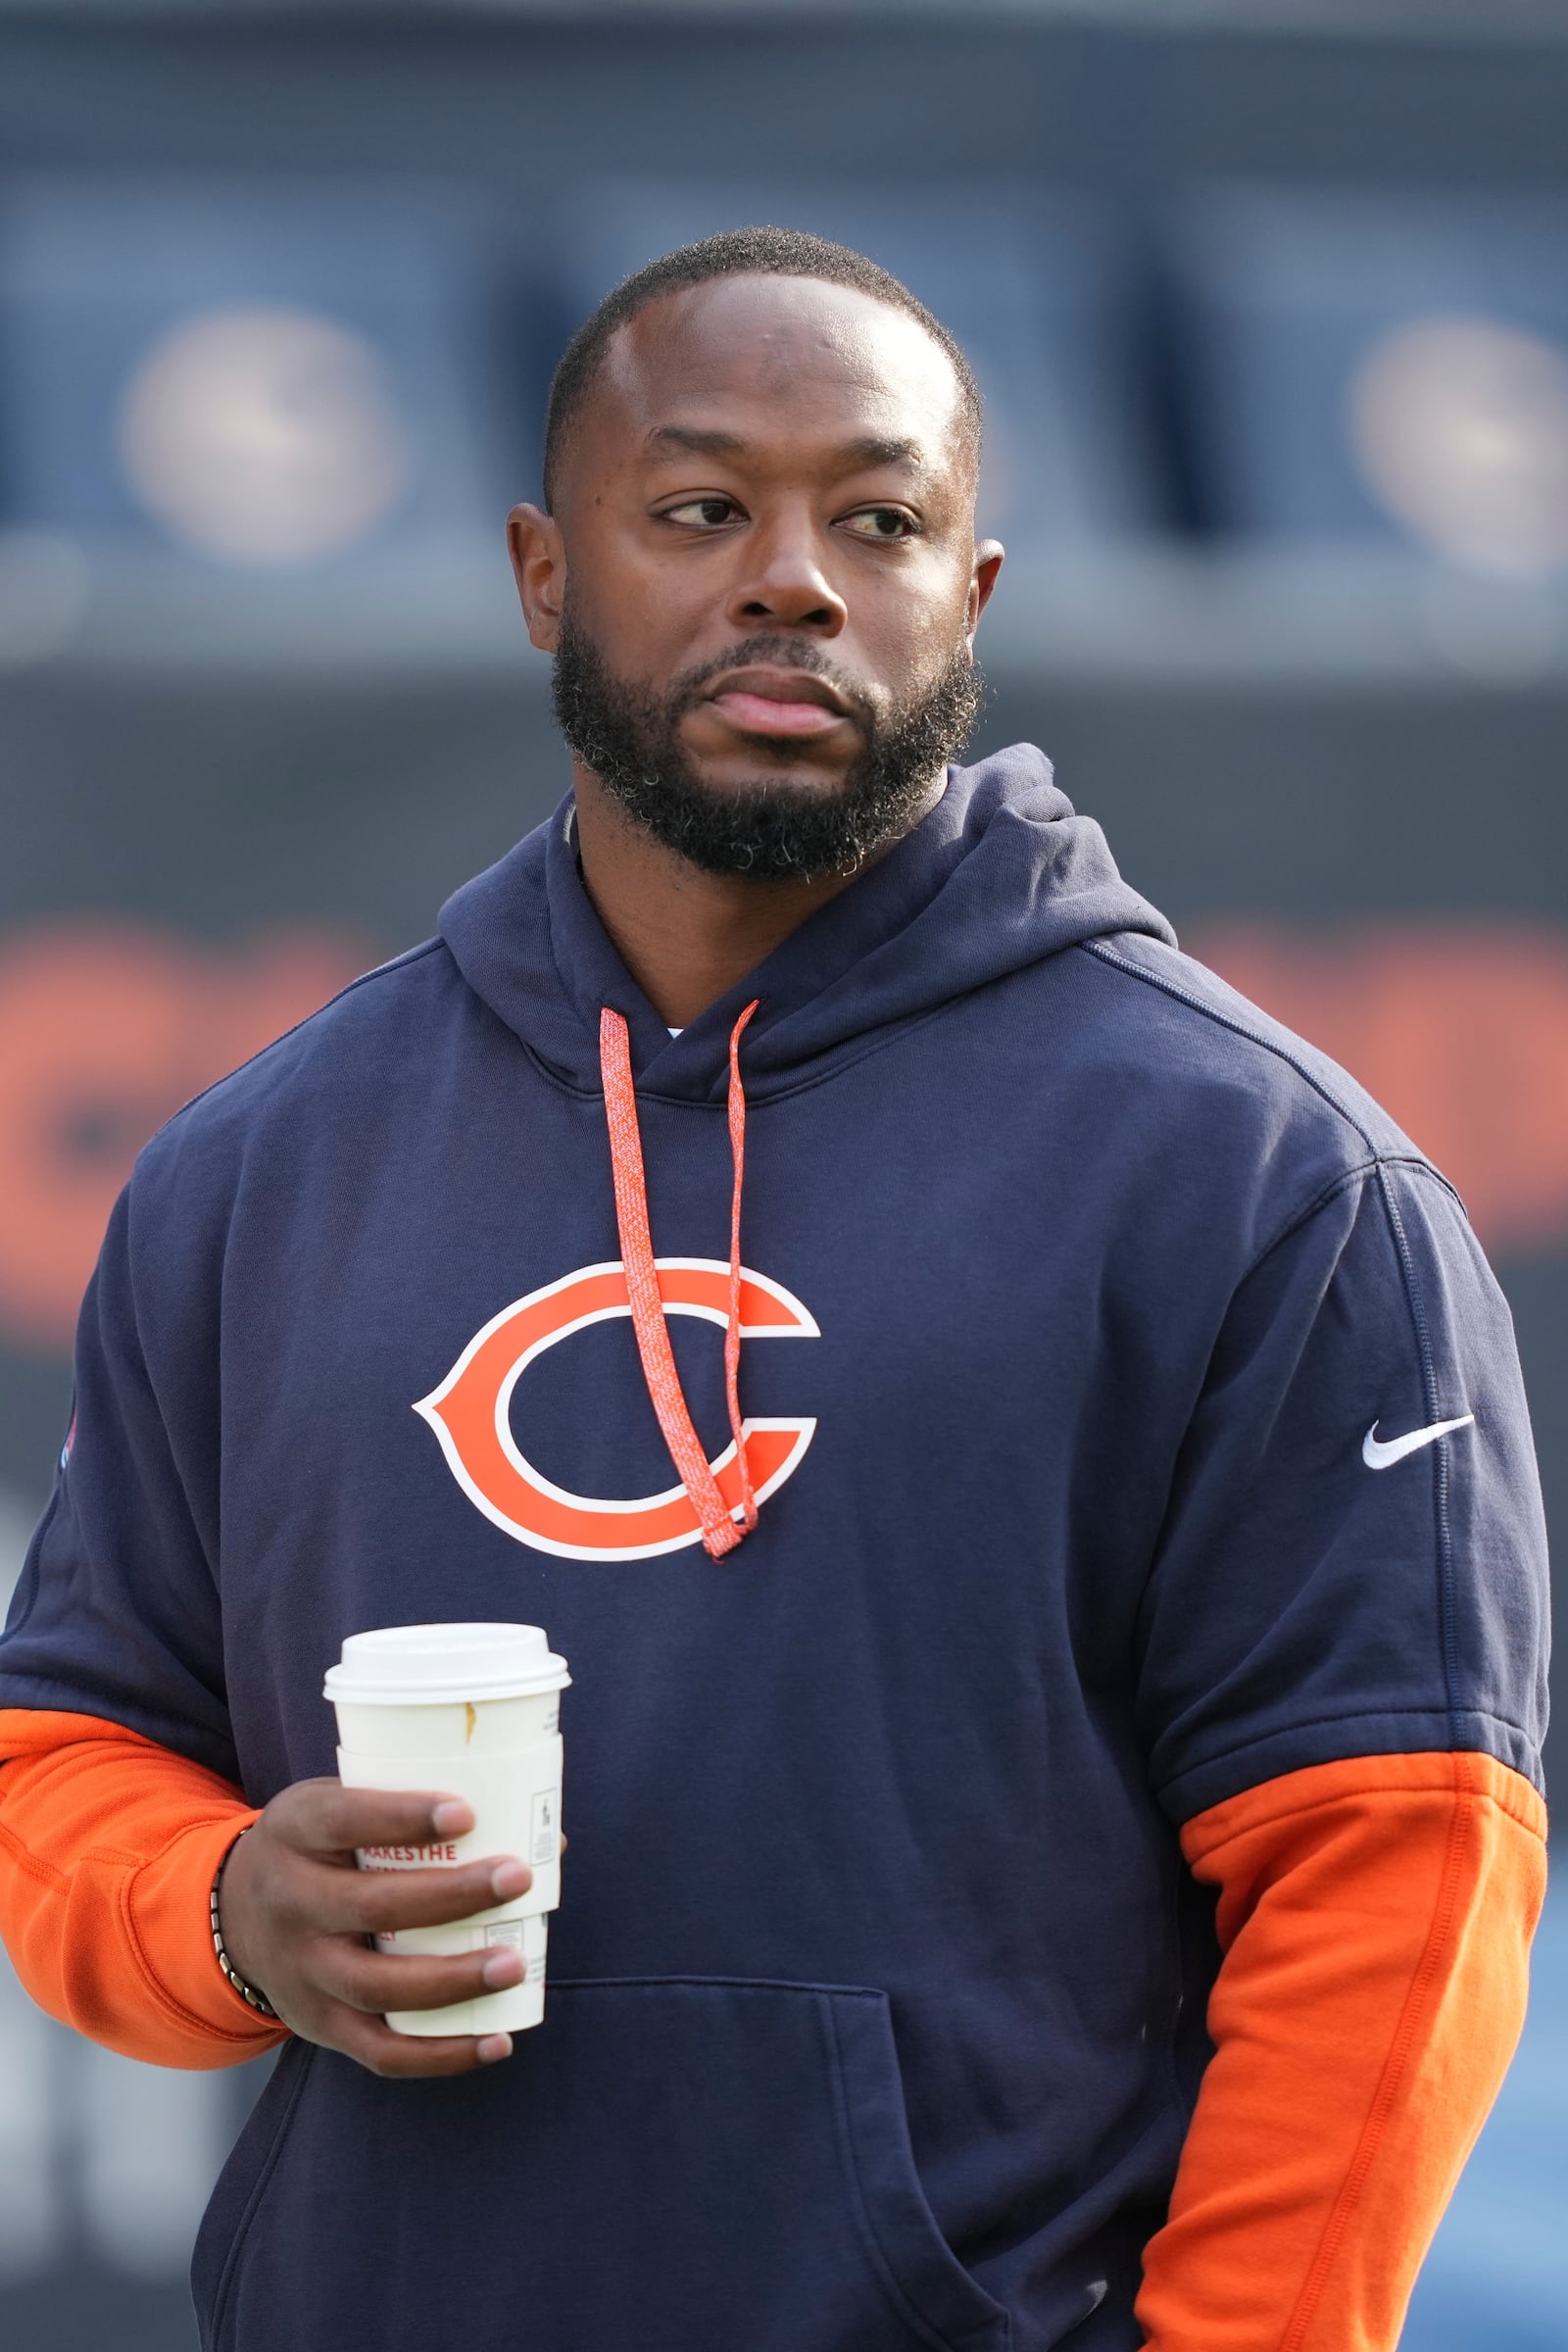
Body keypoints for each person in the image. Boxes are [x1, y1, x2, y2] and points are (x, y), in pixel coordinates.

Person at [0, 228, 1548, 2352]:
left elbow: (1391, 1880)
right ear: (546, 575)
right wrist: (229, 1918)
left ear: (968, 598)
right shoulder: (260, 1166)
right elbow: (71, 1747)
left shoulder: (1254, 1175)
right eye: (704, 506)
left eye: (879, 517)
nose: (795, 578)